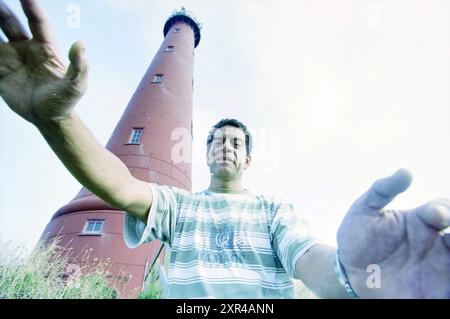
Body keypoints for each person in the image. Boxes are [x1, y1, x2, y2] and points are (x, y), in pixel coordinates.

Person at [0, 0, 448, 299]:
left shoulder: (275, 212)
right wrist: (56, 119)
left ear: (248, 159)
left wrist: (356, 277)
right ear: (205, 152)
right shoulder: (178, 207)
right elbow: (117, 184)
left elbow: (310, 260)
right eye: (216, 140)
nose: (226, 147)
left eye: (235, 142)